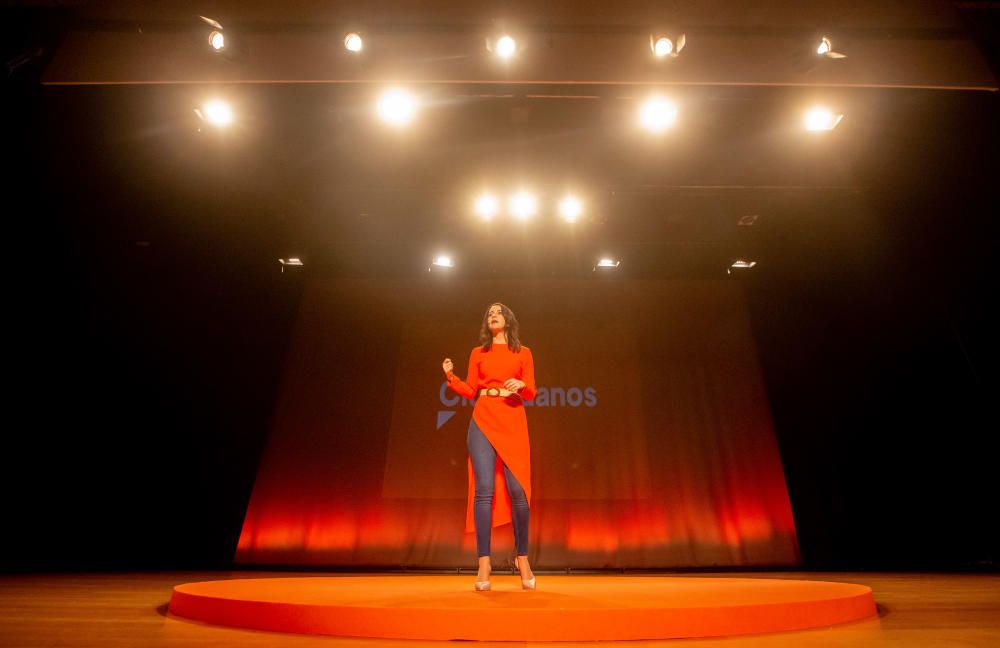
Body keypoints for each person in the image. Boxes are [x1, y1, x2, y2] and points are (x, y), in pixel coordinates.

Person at [442, 302, 537, 591]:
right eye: (489, 314)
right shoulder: (477, 354)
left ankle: (522, 558)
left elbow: (531, 392)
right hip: (483, 419)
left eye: (498, 312)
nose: (493, 316)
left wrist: (521, 386)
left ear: (508, 320)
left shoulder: (524, 353)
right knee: (484, 490)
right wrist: (451, 378)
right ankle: (484, 561)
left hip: (512, 419)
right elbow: (472, 390)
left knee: (519, 491)